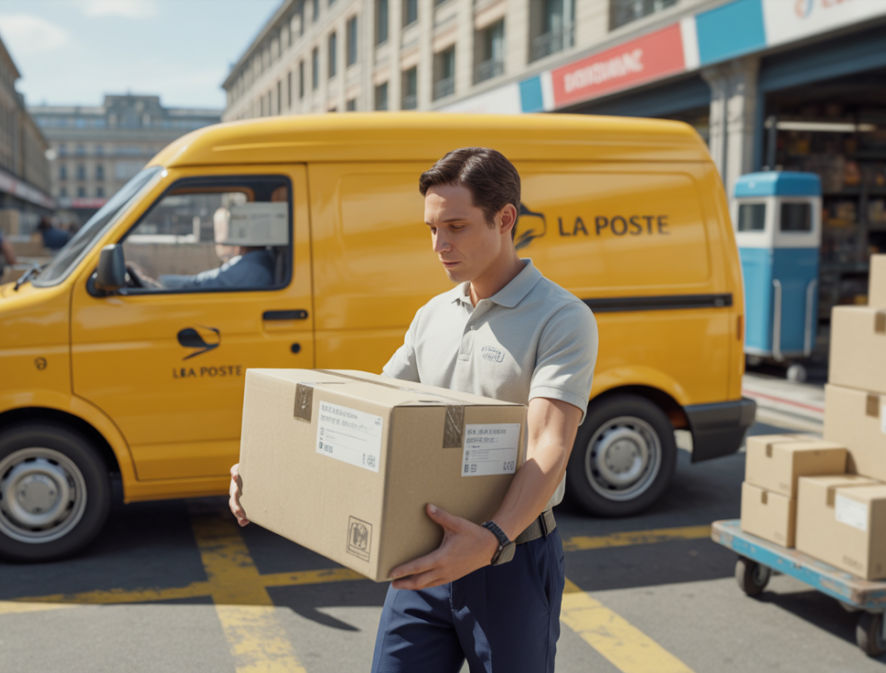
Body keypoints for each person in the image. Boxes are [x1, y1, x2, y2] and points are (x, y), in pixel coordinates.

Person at [228, 148, 598, 673]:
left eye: (456, 226)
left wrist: (490, 540)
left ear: (506, 218)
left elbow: (550, 445)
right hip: (422, 555)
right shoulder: (432, 316)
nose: (439, 246)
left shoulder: (561, 318)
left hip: (510, 559)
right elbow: (370, 415)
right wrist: (266, 470)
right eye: (430, 229)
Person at [127, 206, 275, 290]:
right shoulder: (252, 262)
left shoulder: (251, 268)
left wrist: (157, 281)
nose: (222, 242)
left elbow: (198, 284)